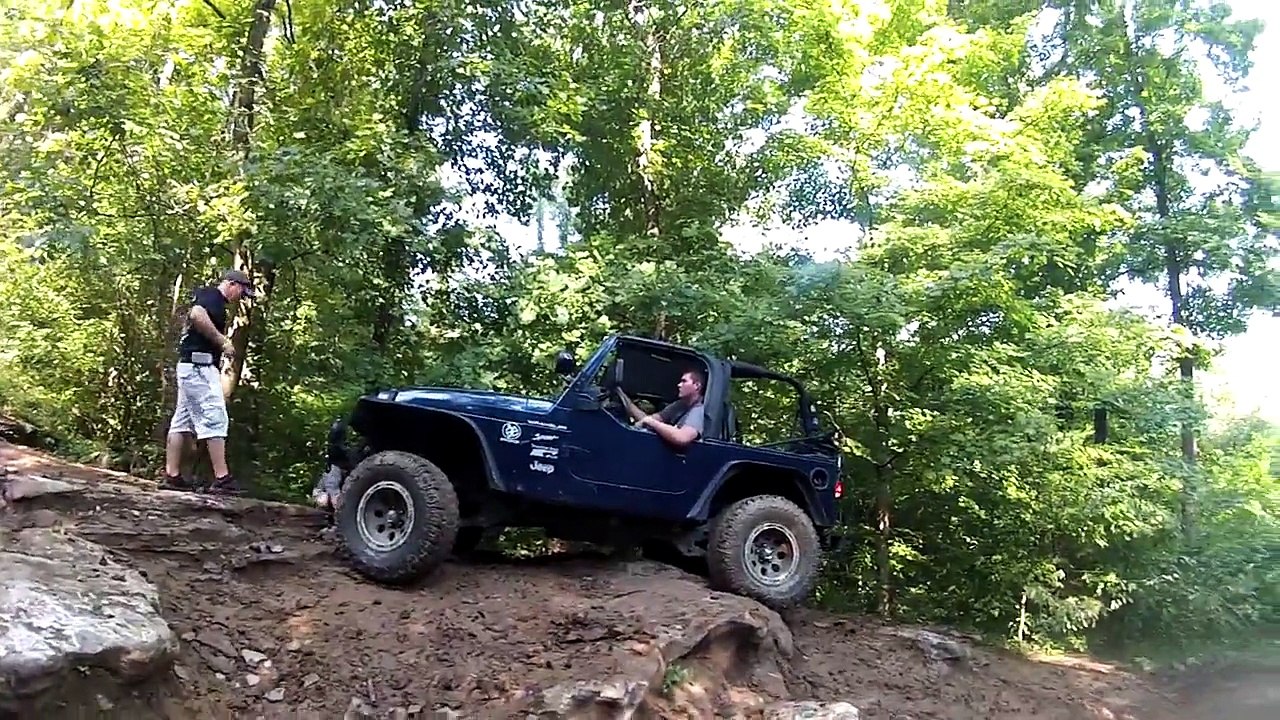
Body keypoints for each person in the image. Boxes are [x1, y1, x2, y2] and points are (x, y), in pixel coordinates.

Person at [162, 269, 255, 495]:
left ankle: (171, 475)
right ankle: (222, 478)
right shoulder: (212, 296)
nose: (239, 298)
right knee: (216, 418)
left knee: (182, 421)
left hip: (191, 367)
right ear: (232, 284)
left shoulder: (213, 301)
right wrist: (222, 341)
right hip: (198, 368)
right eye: (241, 292)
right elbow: (196, 314)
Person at [619, 368, 706, 450]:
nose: (679, 385)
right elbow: (648, 418)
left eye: (684, 381)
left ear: (697, 386)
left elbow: (682, 437)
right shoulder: (680, 405)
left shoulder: (699, 410)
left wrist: (651, 422)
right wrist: (623, 397)